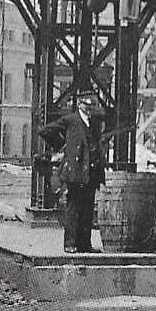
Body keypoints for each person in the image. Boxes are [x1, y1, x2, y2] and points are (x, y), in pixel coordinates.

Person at [39, 90, 106, 253]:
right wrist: (63, 146)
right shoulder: (71, 120)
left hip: (91, 173)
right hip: (75, 172)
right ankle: (70, 244)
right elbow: (45, 131)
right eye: (87, 105)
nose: (90, 109)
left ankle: (85, 244)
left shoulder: (94, 123)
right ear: (80, 105)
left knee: (88, 209)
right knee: (74, 208)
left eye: (93, 105)